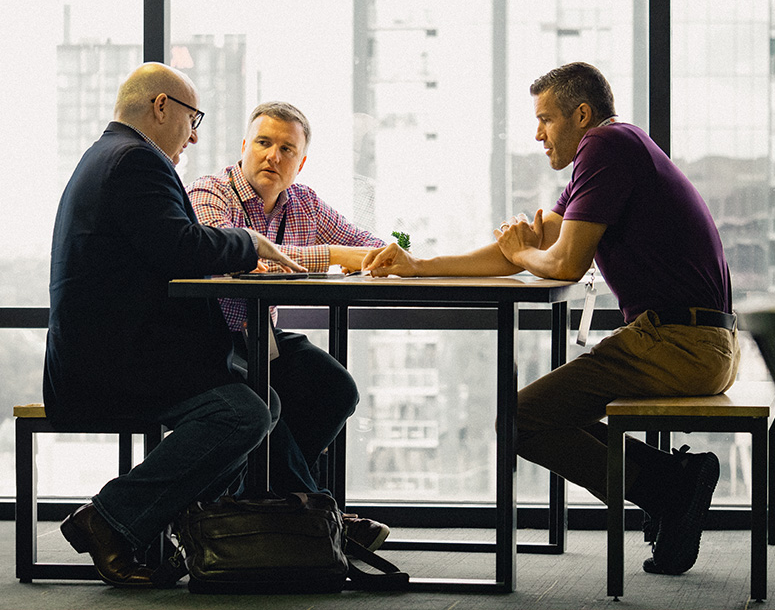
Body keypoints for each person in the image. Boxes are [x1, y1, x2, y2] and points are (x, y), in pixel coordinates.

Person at [362, 62, 740, 576]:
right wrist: (418, 266)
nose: (537, 134)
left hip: (680, 343)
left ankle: (670, 487)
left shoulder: (605, 149)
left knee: (520, 419)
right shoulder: (612, 153)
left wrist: (523, 255)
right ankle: (672, 484)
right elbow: (526, 250)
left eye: (546, 119)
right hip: (696, 341)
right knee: (543, 413)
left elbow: (561, 264)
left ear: (581, 114)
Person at [44, 62, 305, 588]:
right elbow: (179, 247)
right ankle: (109, 520)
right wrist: (248, 241)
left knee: (263, 402)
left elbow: (165, 247)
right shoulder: (135, 161)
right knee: (242, 414)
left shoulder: (111, 155)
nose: (194, 133)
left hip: (116, 353)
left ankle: (195, 530)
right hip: (111, 366)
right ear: (162, 107)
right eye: (193, 118)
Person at [186, 101, 389, 549]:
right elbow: (241, 263)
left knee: (335, 389)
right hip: (208, 341)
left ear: (301, 162)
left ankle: (265, 502)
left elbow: (365, 245)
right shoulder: (210, 192)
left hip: (263, 339)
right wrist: (333, 256)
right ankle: (322, 517)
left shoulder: (304, 202)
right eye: (263, 143)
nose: (273, 156)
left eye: (286, 149)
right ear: (244, 146)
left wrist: (395, 255)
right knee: (265, 403)